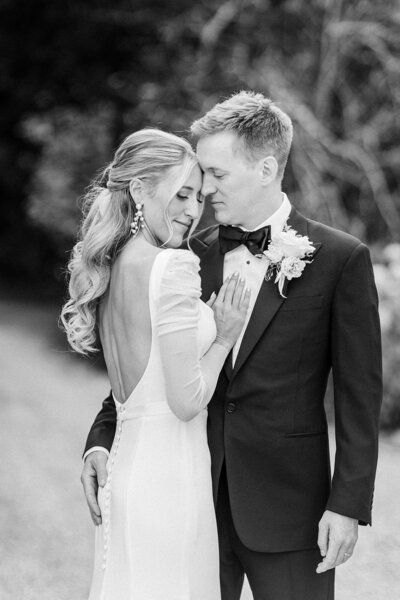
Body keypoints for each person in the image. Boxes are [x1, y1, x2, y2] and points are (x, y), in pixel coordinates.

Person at [82, 93, 382, 600]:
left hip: (289, 511)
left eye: (217, 175)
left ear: (266, 168)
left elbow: (360, 395)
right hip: (191, 500)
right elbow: (149, 360)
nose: (204, 191)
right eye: (200, 176)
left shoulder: (340, 259)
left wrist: (347, 504)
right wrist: (102, 436)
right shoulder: (183, 254)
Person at [61, 128, 250, 600]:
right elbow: (185, 402)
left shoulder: (112, 265)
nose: (193, 210)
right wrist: (224, 334)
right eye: (182, 194)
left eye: (198, 198)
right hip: (171, 475)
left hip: (127, 467)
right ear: (141, 189)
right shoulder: (173, 266)